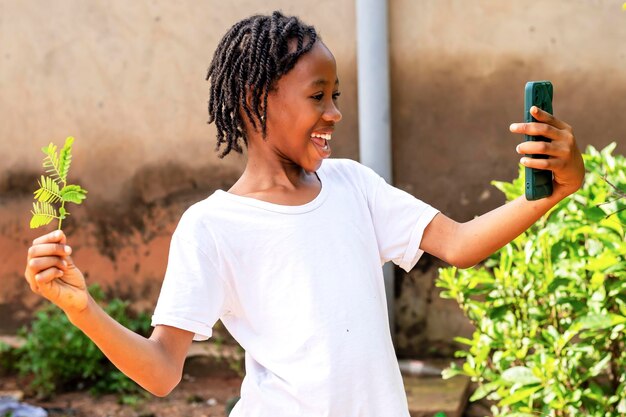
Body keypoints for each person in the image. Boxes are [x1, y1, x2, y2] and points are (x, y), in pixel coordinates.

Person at [24, 11, 585, 417]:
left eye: (336, 95)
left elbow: (461, 244)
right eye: (318, 96)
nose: (335, 112)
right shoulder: (212, 227)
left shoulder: (353, 185)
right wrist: (83, 310)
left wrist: (554, 191)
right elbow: (163, 371)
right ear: (255, 97)